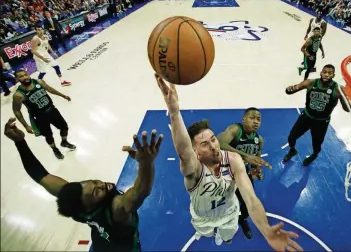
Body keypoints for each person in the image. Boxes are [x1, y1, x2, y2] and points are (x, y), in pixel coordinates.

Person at [155, 74, 303, 251]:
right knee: (206, 232)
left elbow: (250, 198)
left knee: (226, 236)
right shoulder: (194, 169)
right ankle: (208, 233)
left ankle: (223, 237)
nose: (213, 146)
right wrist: (174, 113)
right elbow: (183, 151)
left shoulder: (233, 159)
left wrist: (266, 230)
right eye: (205, 144)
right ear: (196, 153)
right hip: (203, 216)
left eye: (213, 139)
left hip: (229, 213)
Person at [4, 117, 163, 252]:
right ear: (87, 206)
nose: (101, 185)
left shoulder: (76, 204)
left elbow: (41, 175)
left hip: (101, 245)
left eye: (94, 182)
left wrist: (20, 143)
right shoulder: (115, 209)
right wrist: (146, 163)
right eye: (96, 192)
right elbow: (139, 193)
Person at [217, 107, 271, 240]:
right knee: (225, 203)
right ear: (243, 119)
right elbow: (219, 143)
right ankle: (224, 228)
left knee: (248, 203)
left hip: (244, 174)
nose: (256, 122)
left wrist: (257, 170)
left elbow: (255, 159)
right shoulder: (236, 130)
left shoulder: (259, 140)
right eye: (252, 118)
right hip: (226, 173)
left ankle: (241, 219)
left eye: (258, 119)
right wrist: (245, 156)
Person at [284, 64, 351, 166]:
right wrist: (291, 88)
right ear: (321, 73)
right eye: (324, 72)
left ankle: (314, 155)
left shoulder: (338, 89)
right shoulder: (311, 82)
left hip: (321, 122)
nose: (326, 75)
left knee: (316, 145)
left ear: (333, 75)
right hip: (306, 117)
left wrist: (344, 98)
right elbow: (293, 89)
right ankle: (292, 150)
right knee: (291, 137)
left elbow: (348, 109)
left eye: (329, 73)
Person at [12, 68, 75, 159]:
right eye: (21, 76)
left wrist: (63, 95)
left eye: (26, 74)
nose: (25, 77)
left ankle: (64, 142)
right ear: (17, 80)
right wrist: (26, 126)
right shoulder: (19, 95)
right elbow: (16, 110)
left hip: (52, 110)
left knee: (64, 127)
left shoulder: (39, 82)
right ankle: (55, 149)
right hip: (39, 116)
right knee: (48, 135)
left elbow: (50, 90)